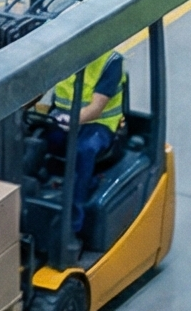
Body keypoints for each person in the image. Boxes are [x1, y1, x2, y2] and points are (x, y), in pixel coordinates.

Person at [37, 46, 126, 241]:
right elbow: (40, 86)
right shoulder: (63, 55)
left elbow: (96, 108)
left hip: (99, 125)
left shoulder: (110, 62)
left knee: (82, 151)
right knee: (34, 141)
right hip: (64, 118)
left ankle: (72, 225)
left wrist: (71, 120)